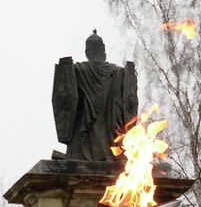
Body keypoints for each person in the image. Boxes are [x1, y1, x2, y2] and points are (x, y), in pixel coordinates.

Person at [52, 30, 138, 161]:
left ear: (87, 53)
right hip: (113, 143)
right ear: (103, 51)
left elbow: (65, 100)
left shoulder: (77, 71)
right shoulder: (120, 74)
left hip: (83, 141)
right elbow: (129, 105)